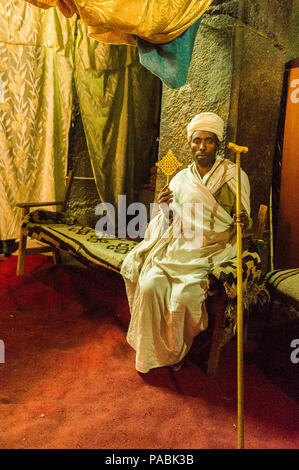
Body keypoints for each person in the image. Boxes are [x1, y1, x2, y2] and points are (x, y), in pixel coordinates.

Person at [120, 112, 251, 374]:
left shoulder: (234, 175)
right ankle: (151, 352)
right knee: (149, 285)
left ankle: (175, 351)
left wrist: (242, 219)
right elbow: (168, 224)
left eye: (209, 141)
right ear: (190, 144)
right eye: (197, 141)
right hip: (178, 250)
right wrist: (164, 209)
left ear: (218, 144)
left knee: (182, 299)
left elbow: (242, 223)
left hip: (211, 253)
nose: (202, 147)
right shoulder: (179, 179)